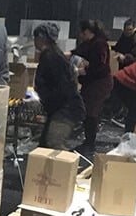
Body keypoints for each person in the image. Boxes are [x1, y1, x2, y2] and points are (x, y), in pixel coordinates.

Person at [33, 22, 85, 150]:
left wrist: (49, 101)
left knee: (54, 144)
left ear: (41, 38)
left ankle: (66, 169)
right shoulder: (54, 54)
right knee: (45, 146)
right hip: (62, 108)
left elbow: (62, 87)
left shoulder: (51, 57)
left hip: (66, 109)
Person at [72, 20, 113, 152]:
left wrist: (82, 71)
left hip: (99, 83)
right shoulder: (90, 43)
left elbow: (99, 66)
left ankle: (90, 143)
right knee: (88, 111)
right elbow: (80, 51)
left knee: (91, 112)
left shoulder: (99, 44)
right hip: (92, 82)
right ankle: (88, 141)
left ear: (88, 32)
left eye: (83, 33)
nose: (81, 35)